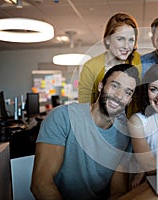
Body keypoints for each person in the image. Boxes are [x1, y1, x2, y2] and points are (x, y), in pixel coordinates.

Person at [31, 64, 140, 200]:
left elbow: (118, 192)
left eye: (127, 92)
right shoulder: (63, 116)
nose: (119, 96)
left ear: (129, 100)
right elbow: (41, 184)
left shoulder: (124, 135)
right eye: (115, 86)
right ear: (101, 86)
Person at [78, 12, 142, 104]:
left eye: (131, 40)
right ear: (107, 40)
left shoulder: (137, 60)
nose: (126, 46)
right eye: (120, 39)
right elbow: (84, 106)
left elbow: (138, 100)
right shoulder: (91, 67)